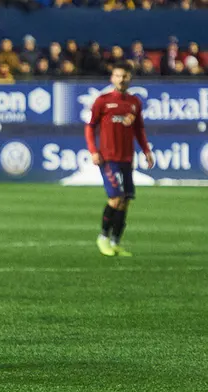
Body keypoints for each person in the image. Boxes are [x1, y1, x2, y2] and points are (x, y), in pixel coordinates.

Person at [86, 62, 154, 257]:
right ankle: (103, 238)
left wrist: (146, 150)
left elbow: (139, 129)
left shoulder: (134, 103)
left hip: (126, 158)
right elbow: (90, 126)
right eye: (117, 76)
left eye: (124, 76)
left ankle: (116, 241)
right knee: (115, 198)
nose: (121, 79)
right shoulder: (103, 101)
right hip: (108, 158)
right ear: (112, 78)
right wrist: (93, 150)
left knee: (125, 201)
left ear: (129, 78)